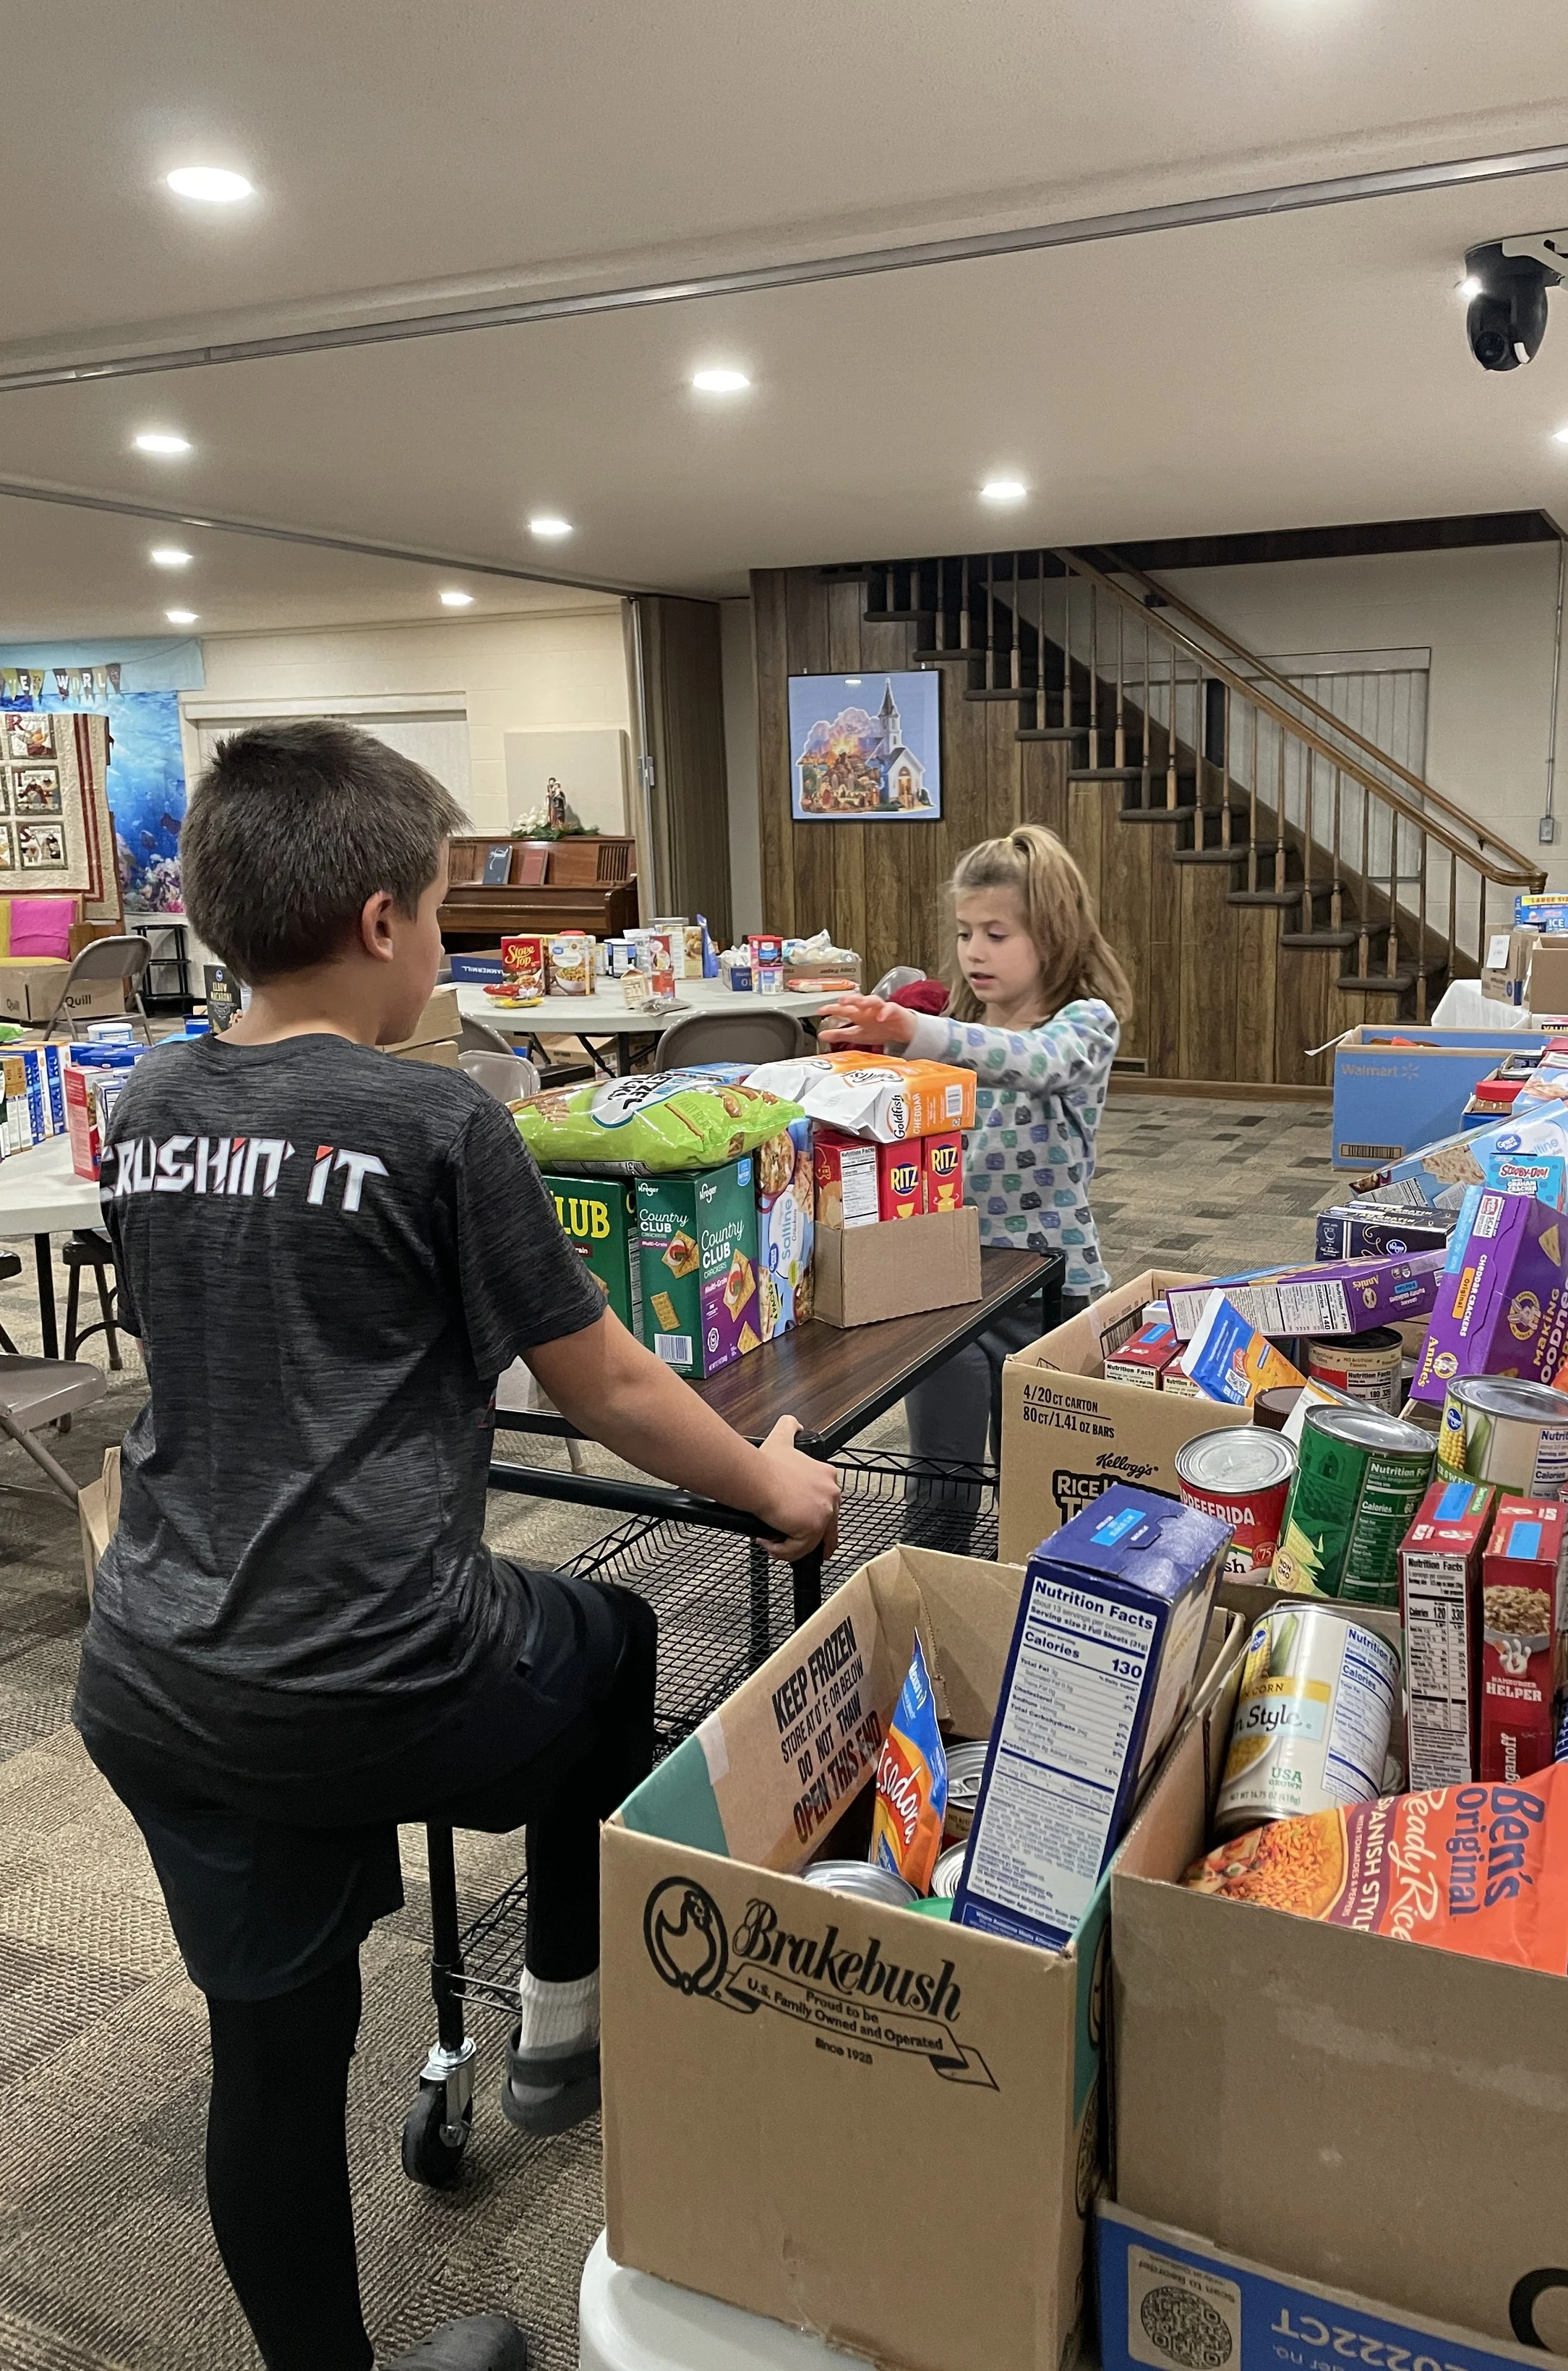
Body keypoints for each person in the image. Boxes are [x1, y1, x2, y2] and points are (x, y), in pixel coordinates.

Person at [72, 721, 839, 2371]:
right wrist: (774, 1487)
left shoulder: (147, 1099)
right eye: (439, 911)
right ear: (378, 924)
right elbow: (615, 1384)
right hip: (375, 1660)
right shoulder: (434, 1124)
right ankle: (561, 2034)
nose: (445, 944)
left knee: (270, 2054)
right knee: (616, 1642)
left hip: (156, 1665)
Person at [822, 821, 1130, 1481]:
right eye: (965, 933)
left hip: (1050, 1292)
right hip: (949, 1284)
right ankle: (934, 1576)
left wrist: (916, 1028)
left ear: (1053, 934)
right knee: (941, 1476)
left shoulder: (1085, 1023)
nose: (973, 952)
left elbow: (1033, 1062)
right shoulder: (956, 1027)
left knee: (1040, 1488)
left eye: (996, 934)